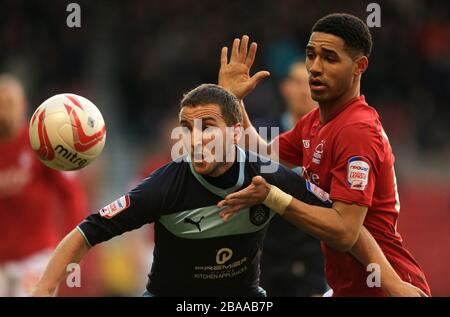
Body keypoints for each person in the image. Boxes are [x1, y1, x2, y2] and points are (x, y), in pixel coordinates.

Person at [31, 84, 416, 297]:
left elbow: (346, 227)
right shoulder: (165, 185)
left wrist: (394, 284)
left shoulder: (268, 177)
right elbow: (87, 232)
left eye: (207, 127)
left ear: (235, 134)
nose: (194, 137)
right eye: (187, 127)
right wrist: (44, 289)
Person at [217, 14, 431, 296]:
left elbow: (345, 231)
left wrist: (272, 196)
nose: (315, 68)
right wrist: (232, 100)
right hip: (347, 286)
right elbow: (262, 154)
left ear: (359, 66)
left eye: (330, 58)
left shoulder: (357, 131)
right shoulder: (316, 121)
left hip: (385, 288)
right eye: (311, 55)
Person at [0, 74, 88, 296]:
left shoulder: (40, 142)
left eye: (9, 103)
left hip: (36, 257)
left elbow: (72, 195)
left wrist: (72, 247)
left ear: (23, 106)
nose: (3, 111)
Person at [260, 61, 326, 296]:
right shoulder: (261, 136)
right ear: (285, 88)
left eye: (310, 83)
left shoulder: (333, 140)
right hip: (264, 258)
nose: (304, 91)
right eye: (298, 83)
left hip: (312, 261)